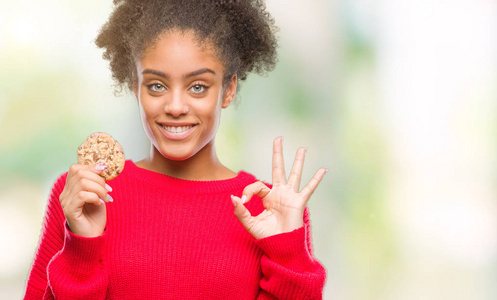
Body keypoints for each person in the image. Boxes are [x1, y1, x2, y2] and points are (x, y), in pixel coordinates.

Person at [24, 0, 327, 299]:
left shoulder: (268, 209)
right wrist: (82, 248)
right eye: (156, 85)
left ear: (228, 90)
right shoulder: (84, 196)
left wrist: (288, 255)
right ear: (135, 86)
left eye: (198, 86)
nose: (176, 107)